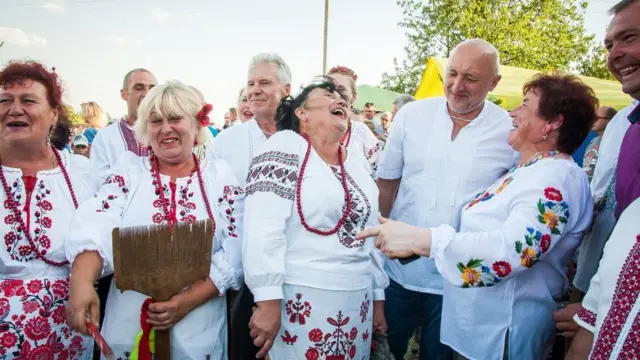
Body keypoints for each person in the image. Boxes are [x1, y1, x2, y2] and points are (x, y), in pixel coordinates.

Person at [361, 73, 596, 360]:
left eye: (525, 105)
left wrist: (423, 240)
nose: (513, 113)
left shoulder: (556, 178)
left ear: (553, 122)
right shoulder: (531, 170)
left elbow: (515, 251)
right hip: (480, 331)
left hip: (502, 335)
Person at [65, 81, 244, 359]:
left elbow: (236, 245)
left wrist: (188, 300)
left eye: (175, 119)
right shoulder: (129, 172)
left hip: (199, 327)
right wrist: (83, 281)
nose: (165, 128)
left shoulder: (219, 177)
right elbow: (98, 221)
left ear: (197, 125)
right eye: (155, 121)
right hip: (129, 325)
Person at [375, 39, 515, 360]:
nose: (457, 85)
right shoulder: (412, 115)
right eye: (452, 73)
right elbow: (387, 183)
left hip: (458, 281)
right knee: (384, 350)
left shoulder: (508, 130)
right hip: (399, 271)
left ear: (493, 83)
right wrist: (377, 247)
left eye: (471, 78)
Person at [244, 77, 389, 359]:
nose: (340, 101)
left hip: (357, 299)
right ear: (302, 113)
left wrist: (378, 297)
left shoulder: (355, 163)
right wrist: (266, 298)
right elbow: (263, 226)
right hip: (302, 299)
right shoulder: (284, 147)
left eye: (342, 99)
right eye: (328, 94)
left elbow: (371, 231)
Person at [0, 60, 97, 358]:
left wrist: (83, 277)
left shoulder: (82, 173)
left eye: (28, 100)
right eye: (5, 100)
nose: (15, 109)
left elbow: (100, 231)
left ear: (54, 114)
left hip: (67, 334)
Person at [210, 52, 292, 360]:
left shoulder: (304, 134)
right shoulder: (226, 142)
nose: (254, 90)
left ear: (286, 88)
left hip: (293, 272)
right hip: (240, 276)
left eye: (265, 82)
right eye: (250, 83)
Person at [89, 68, 158, 182]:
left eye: (152, 89)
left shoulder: (166, 133)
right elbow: (98, 181)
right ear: (124, 94)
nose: (146, 94)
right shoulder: (105, 137)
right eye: (139, 88)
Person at [328, 66, 382, 176]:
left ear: (353, 98)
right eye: (329, 89)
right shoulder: (311, 129)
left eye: (341, 89)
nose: (335, 94)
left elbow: (378, 174)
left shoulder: (361, 132)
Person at [582, 106, 617, 181]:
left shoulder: (615, 145)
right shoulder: (593, 141)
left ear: (610, 120)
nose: (592, 121)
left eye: (596, 118)